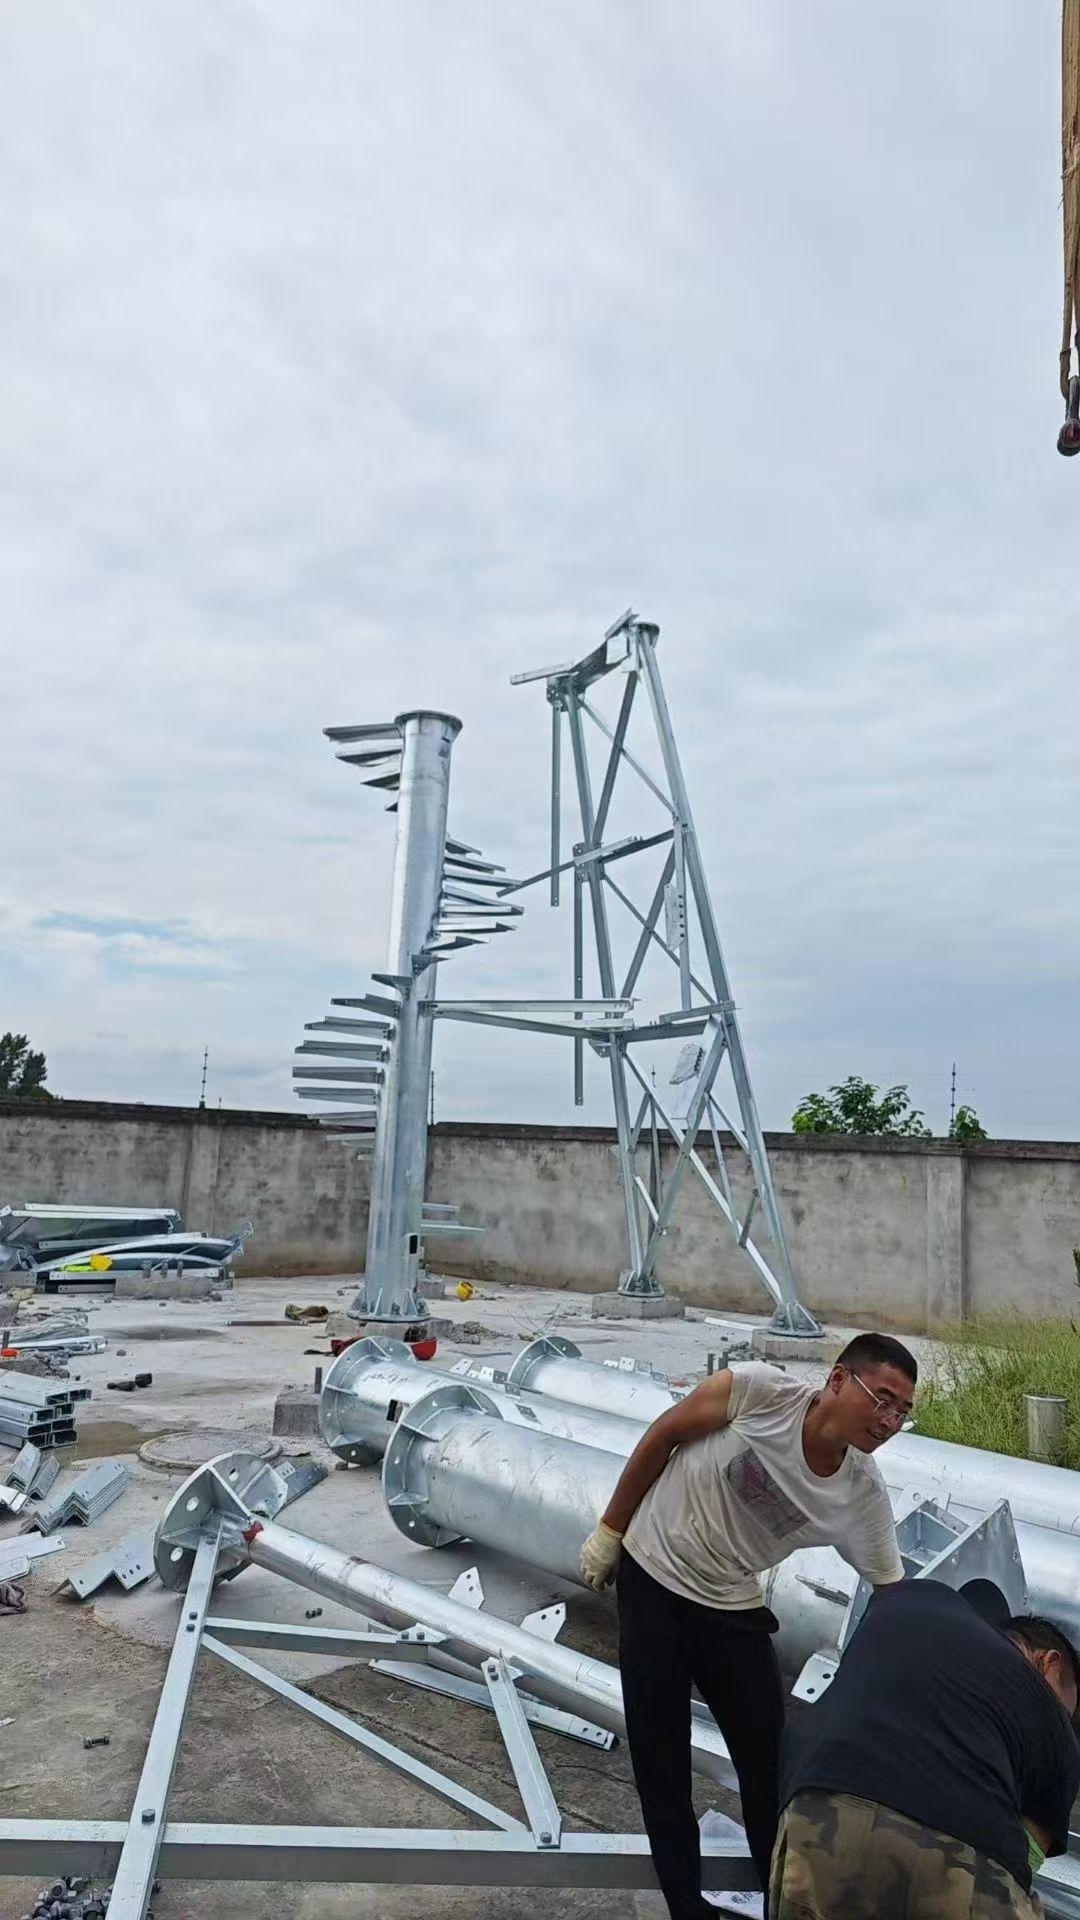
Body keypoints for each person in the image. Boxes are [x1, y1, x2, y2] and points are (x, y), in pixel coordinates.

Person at [578, 1332, 917, 1918]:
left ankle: (785, 1903)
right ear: (838, 1379)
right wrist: (611, 1530)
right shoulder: (759, 1393)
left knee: (771, 1770)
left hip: (731, 1605)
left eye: (902, 1412)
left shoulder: (860, 1494)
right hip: (653, 1575)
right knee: (661, 1766)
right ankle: (688, 1909)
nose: (889, 1421)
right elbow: (664, 1434)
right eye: (882, 1399)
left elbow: (892, 1592)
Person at [771, 1586, 1080, 1919]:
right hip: (960, 1852)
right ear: (1048, 1662)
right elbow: (1028, 1854)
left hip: (815, 1804)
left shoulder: (910, 1604)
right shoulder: (1050, 1718)